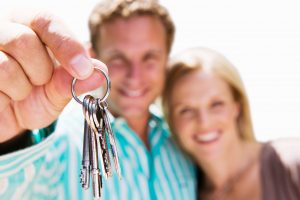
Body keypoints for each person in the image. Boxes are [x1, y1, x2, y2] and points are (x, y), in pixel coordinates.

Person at [0, 0, 196, 199]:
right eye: (118, 58)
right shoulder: (61, 141)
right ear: (92, 56)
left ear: (167, 60)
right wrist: (10, 142)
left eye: (150, 57)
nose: (135, 76)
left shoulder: (185, 144)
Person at [162, 47, 300, 200]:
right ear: (171, 120)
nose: (204, 122)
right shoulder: (182, 193)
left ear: (237, 106)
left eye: (216, 104)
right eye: (186, 110)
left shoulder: (292, 164)